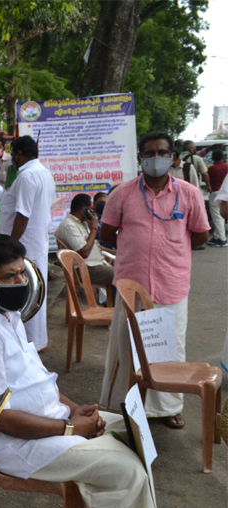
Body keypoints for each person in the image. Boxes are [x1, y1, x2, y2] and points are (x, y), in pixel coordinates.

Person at [0, 233, 161, 508]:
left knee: (136, 436)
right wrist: (70, 428)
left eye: (21, 271)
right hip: (13, 444)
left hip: (50, 422)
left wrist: (73, 409)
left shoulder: (8, 313)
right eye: (8, 276)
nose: (20, 280)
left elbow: (36, 377)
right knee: (126, 471)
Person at [99, 132, 210, 428]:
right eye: (150, 153)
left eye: (162, 152)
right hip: (130, 285)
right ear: (140, 158)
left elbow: (201, 234)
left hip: (171, 282)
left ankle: (169, 407)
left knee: (169, 347)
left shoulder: (188, 193)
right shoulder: (121, 193)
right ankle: (125, 404)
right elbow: (107, 232)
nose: (156, 158)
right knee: (127, 345)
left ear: (172, 157)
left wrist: (172, 250)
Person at [0, 135, 53, 351]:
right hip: (35, 242)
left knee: (26, 295)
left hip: (24, 246)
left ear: (19, 155)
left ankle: (30, 343)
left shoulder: (28, 177)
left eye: (13, 155)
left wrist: (11, 246)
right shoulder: (44, 173)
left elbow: (22, 215)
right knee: (36, 292)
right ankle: (36, 341)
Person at [55, 193, 114, 293]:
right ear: (84, 209)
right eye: (91, 208)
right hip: (85, 269)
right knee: (120, 277)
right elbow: (84, 253)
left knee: (124, 270)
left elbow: (92, 245)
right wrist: (94, 229)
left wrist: (113, 252)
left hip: (94, 264)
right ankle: (118, 308)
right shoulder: (69, 225)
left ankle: (115, 306)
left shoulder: (82, 223)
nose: (93, 211)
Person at [206, 149, 228, 247]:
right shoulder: (227, 166)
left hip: (216, 192)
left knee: (217, 217)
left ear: (213, 158)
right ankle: (217, 236)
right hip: (225, 193)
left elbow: (206, 179)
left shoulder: (211, 169)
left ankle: (221, 239)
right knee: (222, 217)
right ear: (223, 157)